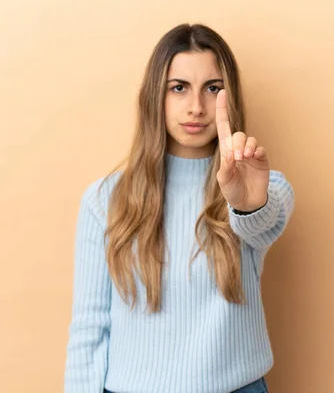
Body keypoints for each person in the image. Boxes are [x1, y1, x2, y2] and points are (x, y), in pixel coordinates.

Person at [63, 23, 295, 393]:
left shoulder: (264, 188)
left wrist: (247, 205)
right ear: (155, 95)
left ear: (229, 97)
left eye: (213, 88)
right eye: (179, 88)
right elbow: (89, 327)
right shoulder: (104, 200)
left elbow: (262, 222)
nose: (196, 107)